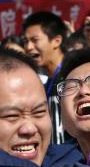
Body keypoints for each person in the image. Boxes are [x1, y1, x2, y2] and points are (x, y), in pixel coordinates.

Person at [23, 10, 71, 144]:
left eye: (35, 40)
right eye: (25, 41)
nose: (28, 47)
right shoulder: (45, 81)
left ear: (56, 41)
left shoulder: (73, 76)